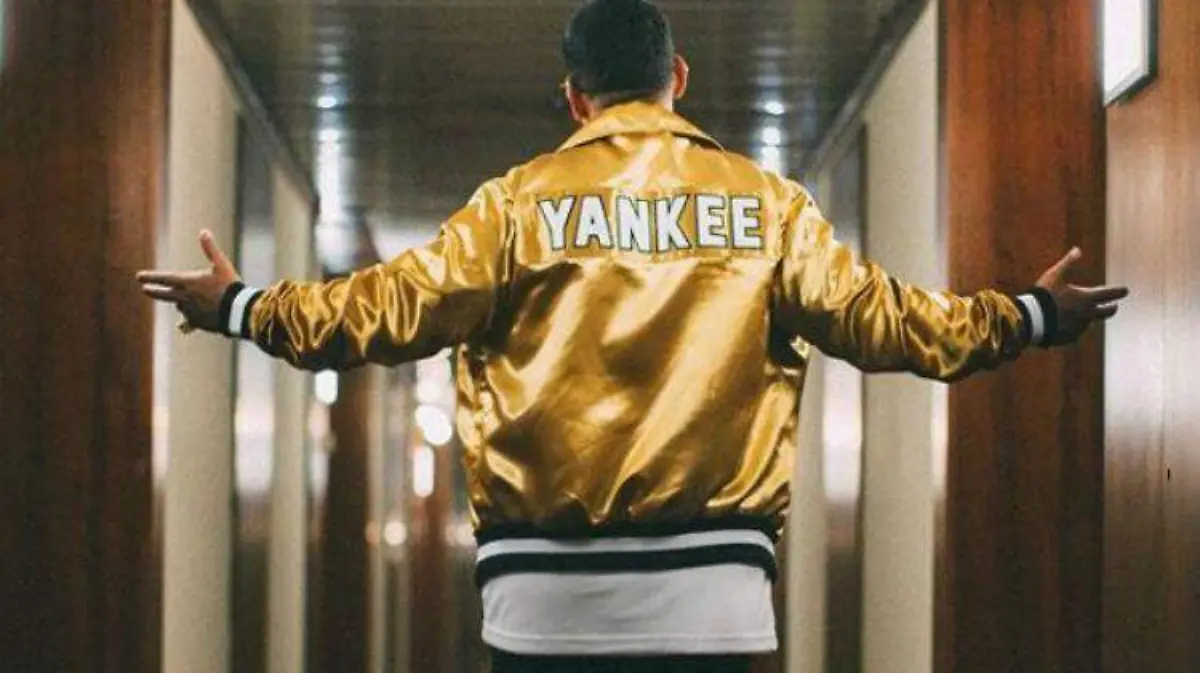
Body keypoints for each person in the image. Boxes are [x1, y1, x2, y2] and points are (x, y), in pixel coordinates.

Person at [138, 0, 1128, 670]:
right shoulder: (767, 207)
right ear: (678, 78)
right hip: (717, 603)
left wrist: (240, 305)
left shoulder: (513, 207)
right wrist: (1029, 316)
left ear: (574, 97)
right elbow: (889, 321)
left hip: (540, 607)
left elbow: (380, 311)